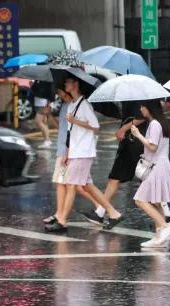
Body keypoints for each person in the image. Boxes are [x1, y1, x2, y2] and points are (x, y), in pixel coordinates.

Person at [45, 75, 123, 232]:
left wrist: (76, 121)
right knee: (87, 185)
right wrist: (67, 153)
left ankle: (62, 220)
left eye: (67, 81)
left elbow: (95, 126)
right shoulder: (72, 105)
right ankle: (114, 213)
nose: (65, 84)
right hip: (75, 151)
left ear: (75, 84)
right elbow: (70, 133)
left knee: (72, 185)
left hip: (83, 152)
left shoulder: (84, 104)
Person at [79, 101, 170, 225]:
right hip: (134, 144)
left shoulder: (139, 100)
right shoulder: (131, 97)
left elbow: (140, 118)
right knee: (144, 180)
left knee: (120, 179)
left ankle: (101, 212)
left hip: (133, 144)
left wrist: (123, 129)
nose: (141, 108)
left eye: (142, 106)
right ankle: (166, 215)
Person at [43, 89, 103, 225]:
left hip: (70, 151)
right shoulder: (66, 106)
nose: (58, 94)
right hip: (65, 150)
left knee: (68, 184)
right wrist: (50, 116)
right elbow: (62, 127)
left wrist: (67, 152)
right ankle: (102, 208)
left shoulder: (77, 106)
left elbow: (89, 127)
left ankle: (61, 216)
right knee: (77, 185)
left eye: (60, 91)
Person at [130, 101, 170, 248]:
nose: (140, 109)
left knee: (140, 200)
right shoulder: (159, 123)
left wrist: (137, 134)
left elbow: (152, 146)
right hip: (159, 165)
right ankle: (159, 237)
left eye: (142, 106)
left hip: (157, 166)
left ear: (148, 108)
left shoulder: (155, 124)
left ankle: (165, 226)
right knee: (156, 201)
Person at [32, 81, 54, 149]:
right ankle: (47, 140)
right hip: (38, 101)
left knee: (38, 121)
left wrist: (50, 102)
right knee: (44, 122)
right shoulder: (38, 78)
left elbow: (51, 90)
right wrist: (32, 85)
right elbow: (34, 89)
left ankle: (47, 140)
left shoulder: (47, 79)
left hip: (43, 102)